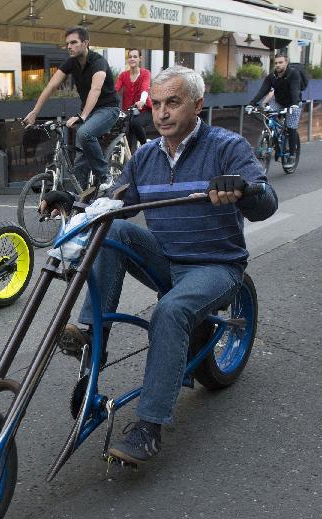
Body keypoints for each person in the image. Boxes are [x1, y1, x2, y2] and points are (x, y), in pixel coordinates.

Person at [54, 65, 278, 465]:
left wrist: (242, 190)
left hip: (216, 266)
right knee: (112, 229)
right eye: (156, 104)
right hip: (166, 259)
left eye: (172, 102)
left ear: (197, 104)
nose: (161, 113)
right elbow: (116, 200)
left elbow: (266, 202)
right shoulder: (145, 158)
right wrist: (75, 203)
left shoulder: (226, 147)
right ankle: (94, 334)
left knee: (170, 310)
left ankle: (149, 426)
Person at [23, 26, 120, 190]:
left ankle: (105, 176)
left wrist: (82, 117)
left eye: (74, 42)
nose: (69, 46)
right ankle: (77, 202)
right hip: (88, 112)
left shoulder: (98, 62)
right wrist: (35, 111)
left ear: (85, 43)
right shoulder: (71, 63)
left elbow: (95, 90)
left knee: (85, 133)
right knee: (80, 161)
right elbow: (51, 86)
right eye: (67, 43)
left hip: (108, 109)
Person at [249, 54, 302, 164]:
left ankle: (292, 154)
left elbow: (295, 90)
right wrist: (252, 103)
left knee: (291, 126)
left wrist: (295, 104)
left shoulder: (293, 74)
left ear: (286, 62)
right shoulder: (272, 76)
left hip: (293, 103)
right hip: (278, 102)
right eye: (276, 63)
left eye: (280, 62)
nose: (278, 65)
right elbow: (263, 90)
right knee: (269, 119)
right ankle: (272, 142)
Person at [115, 49, 153, 153]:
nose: (132, 59)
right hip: (129, 111)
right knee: (126, 134)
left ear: (140, 58)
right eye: (130, 56)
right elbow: (115, 90)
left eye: (135, 56)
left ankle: (146, 149)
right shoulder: (123, 75)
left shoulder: (145, 73)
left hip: (145, 110)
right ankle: (129, 159)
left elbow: (145, 88)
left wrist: (142, 100)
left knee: (135, 123)